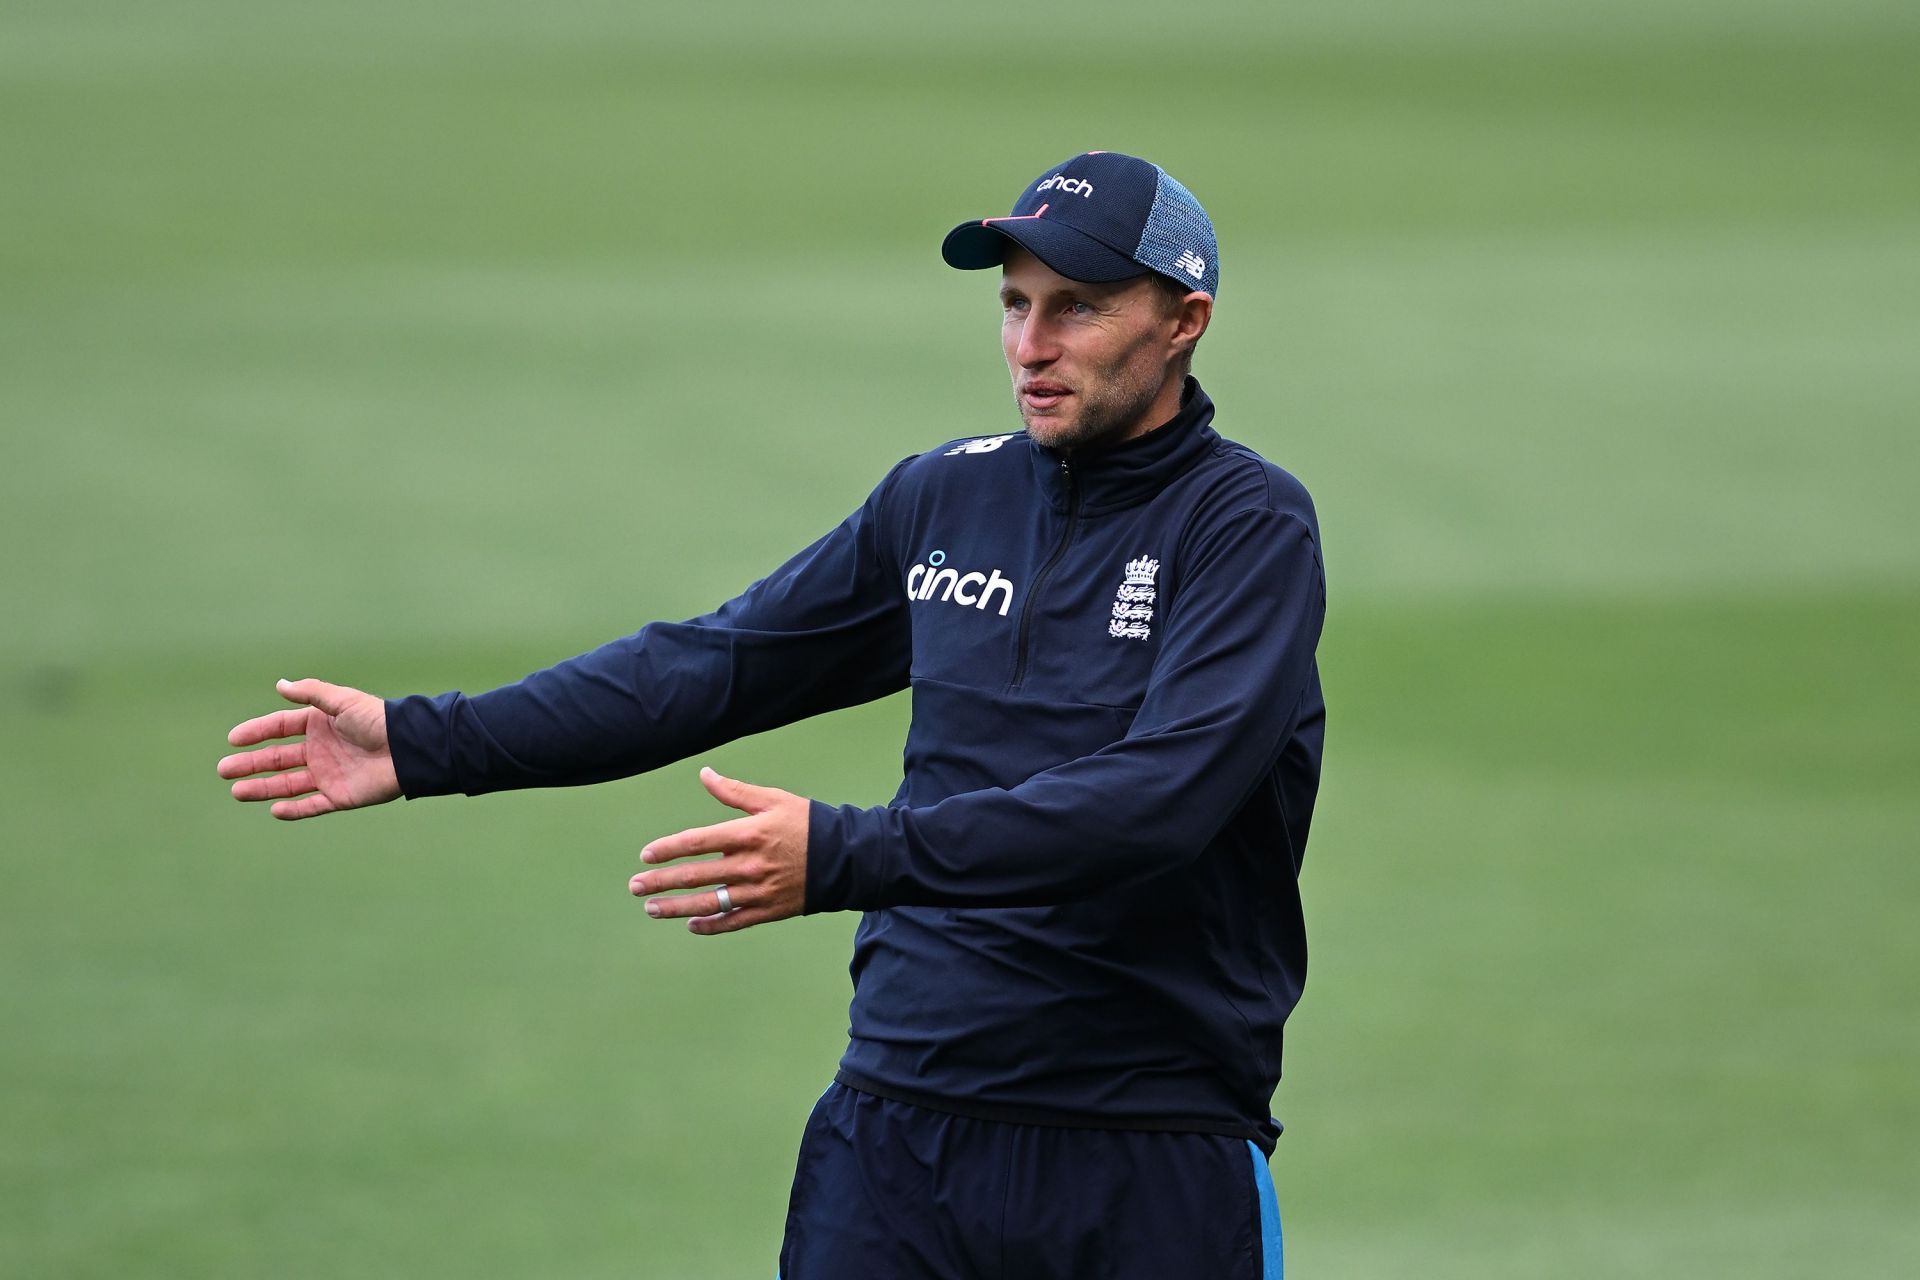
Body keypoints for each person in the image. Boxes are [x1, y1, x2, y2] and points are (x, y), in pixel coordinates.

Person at [219, 150, 1325, 1279]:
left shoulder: (1245, 527)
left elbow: (1156, 802)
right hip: (900, 1127)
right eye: (1013, 304)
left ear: (1184, 319)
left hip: (1143, 1147)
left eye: (1076, 308)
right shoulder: (947, 494)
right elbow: (716, 664)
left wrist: (843, 852)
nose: (1031, 346)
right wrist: (424, 738)